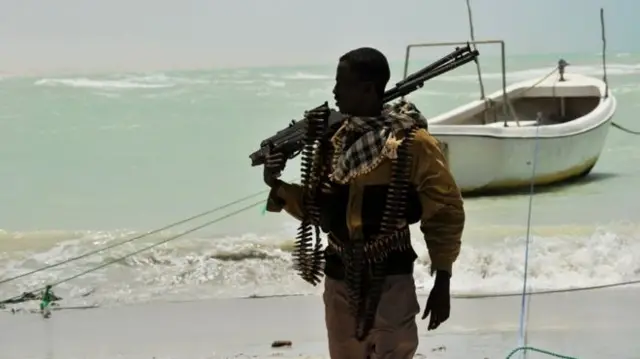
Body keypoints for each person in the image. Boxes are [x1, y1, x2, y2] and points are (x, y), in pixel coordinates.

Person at [263, 47, 465, 359]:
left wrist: (443, 280)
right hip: (339, 277)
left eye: (341, 83)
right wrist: (276, 186)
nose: (334, 91)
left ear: (368, 89)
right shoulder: (332, 143)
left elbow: (444, 213)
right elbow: (317, 209)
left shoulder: (412, 144)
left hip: (391, 278)